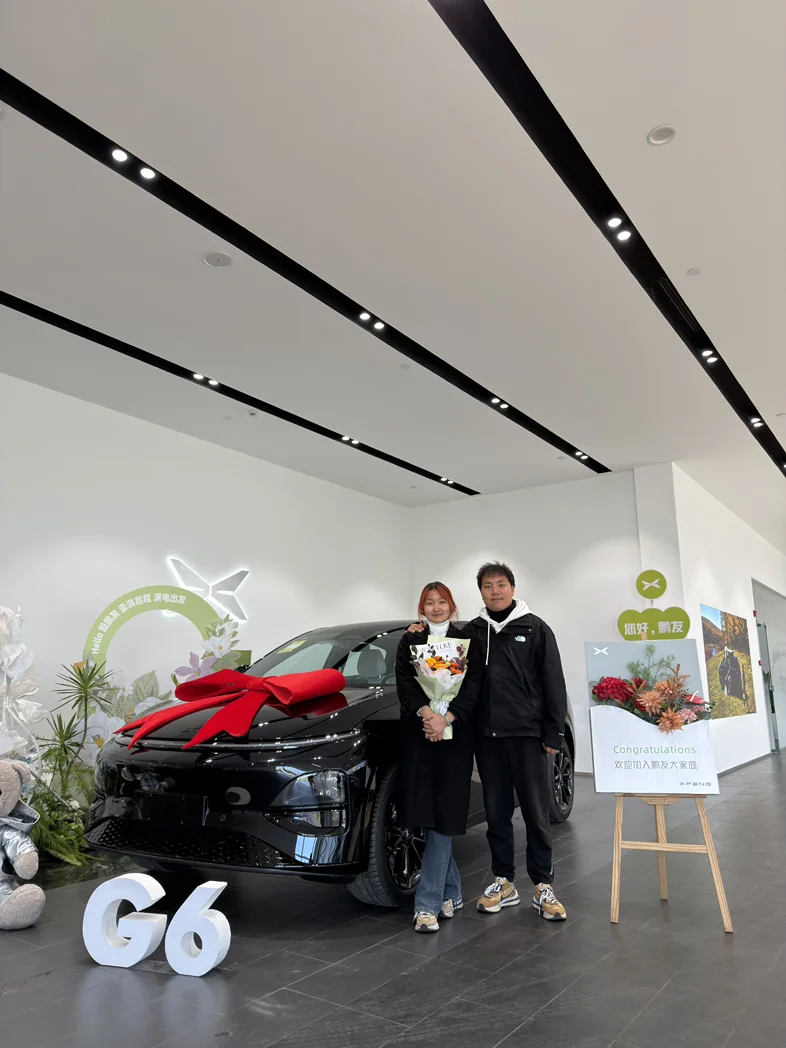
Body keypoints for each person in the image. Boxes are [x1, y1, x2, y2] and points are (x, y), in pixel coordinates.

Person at [441, 561, 568, 921]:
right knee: (496, 814)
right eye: (487, 586)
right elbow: (444, 664)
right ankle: (504, 882)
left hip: (528, 736)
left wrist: (553, 732)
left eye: (500, 584)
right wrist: (418, 630)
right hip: (488, 738)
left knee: (536, 813)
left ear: (512, 588)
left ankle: (543, 885)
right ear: (480, 592)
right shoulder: (472, 632)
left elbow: (553, 682)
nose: (494, 591)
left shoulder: (536, 628)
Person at [395, 582, 481, 933]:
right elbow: (405, 682)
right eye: (429, 603)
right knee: (430, 815)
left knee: (444, 813)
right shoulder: (410, 640)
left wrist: (448, 717)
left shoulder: (468, 640)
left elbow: (473, 686)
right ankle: (452, 893)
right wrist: (428, 714)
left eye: (441, 601)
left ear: (451, 606)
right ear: (421, 608)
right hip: (420, 734)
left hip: (456, 737)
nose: (435, 607)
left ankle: (427, 904)